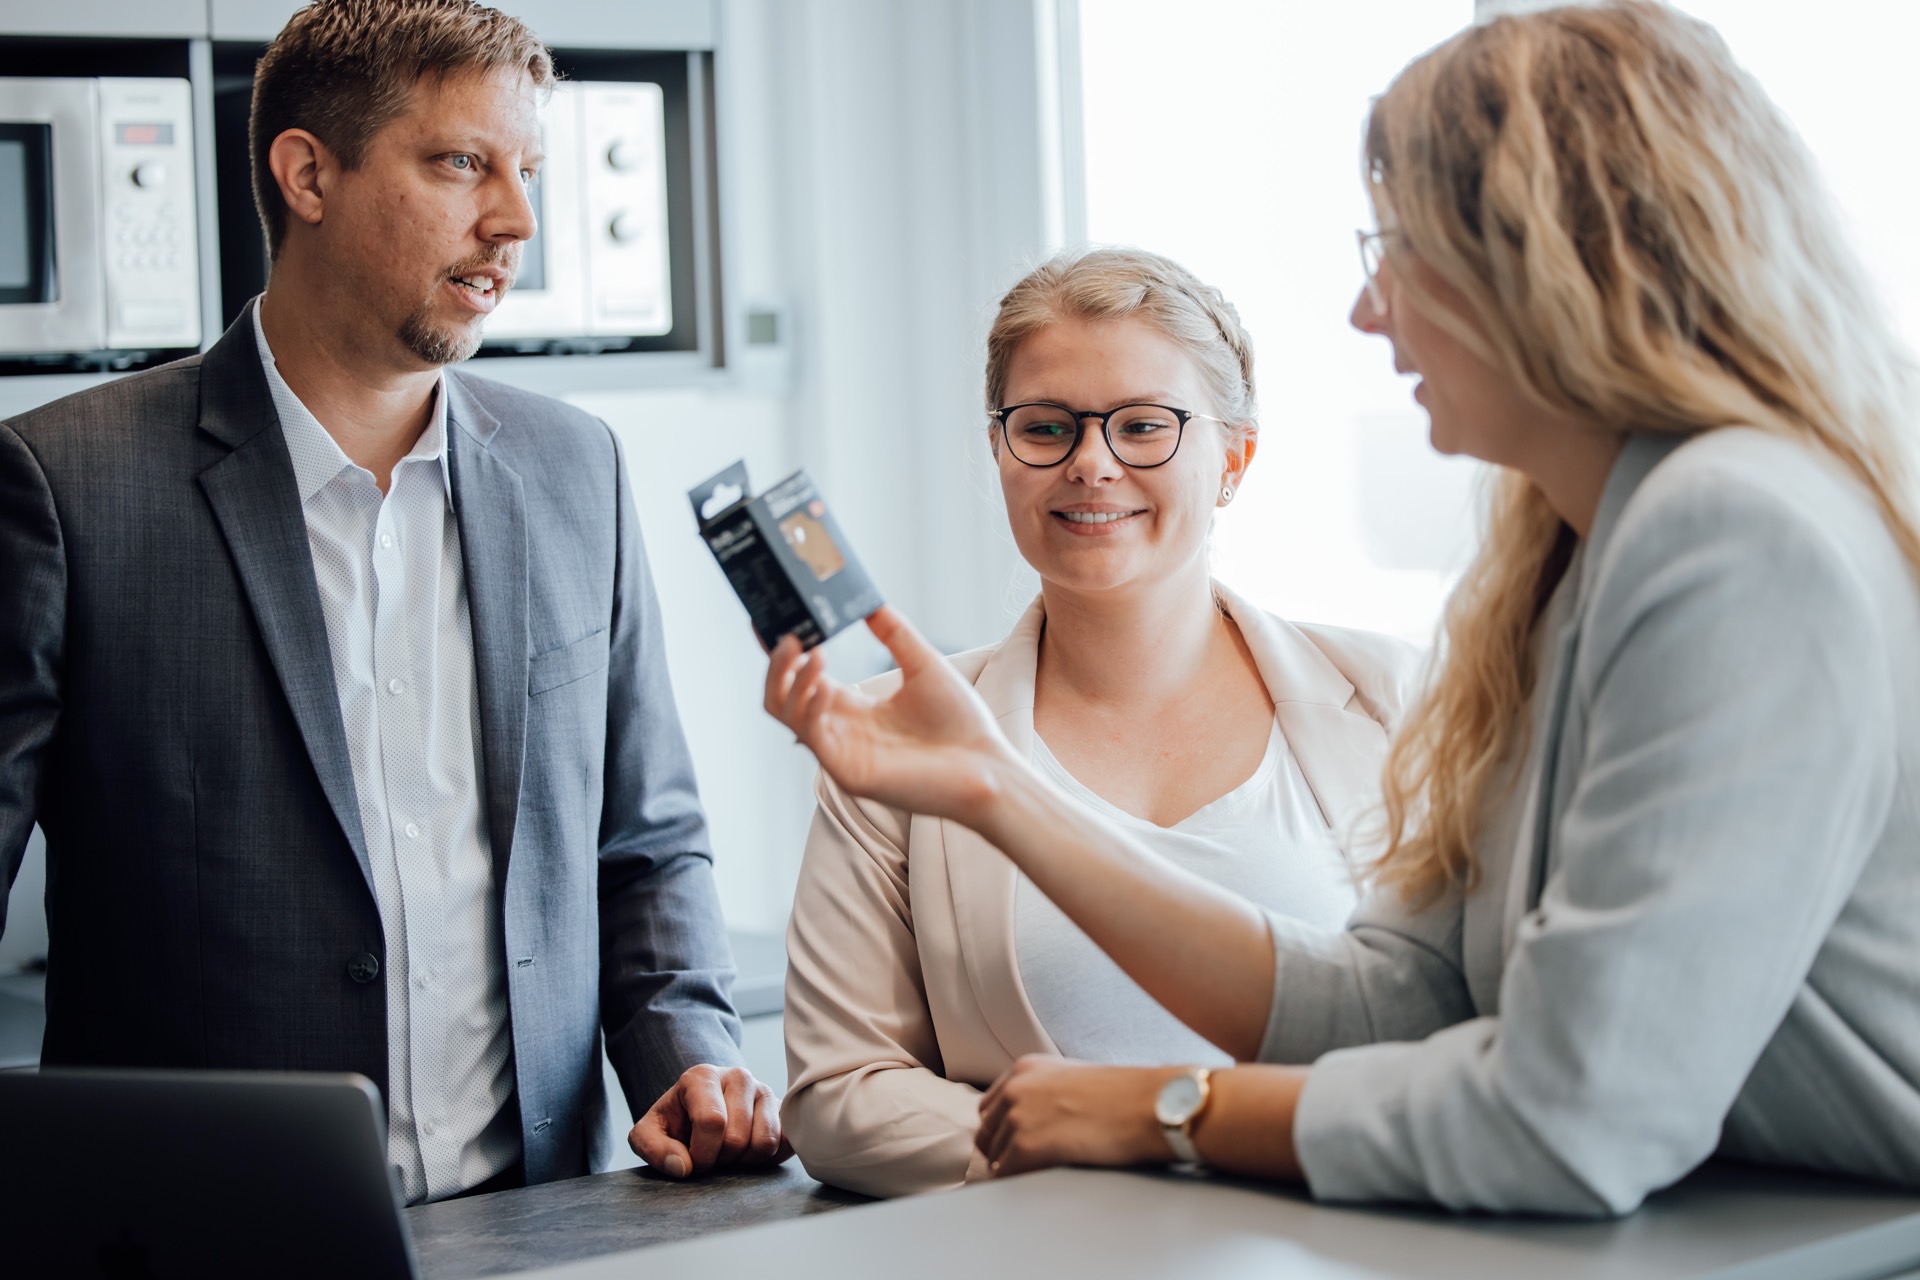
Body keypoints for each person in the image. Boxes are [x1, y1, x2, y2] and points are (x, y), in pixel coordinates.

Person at [765, 0, 1920, 1216]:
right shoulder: (1572, 555)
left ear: (1540, 263)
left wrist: (1167, 1114)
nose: (1370, 311)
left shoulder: (1729, 531)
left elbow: (1572, 1113)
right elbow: (1394, 1003)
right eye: (1047, 427)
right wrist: (994, 787)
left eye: (1397, 249)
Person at [0, 0, 785, 1202]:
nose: (515, 219)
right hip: (201, 1231)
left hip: (542, 1221)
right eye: (462, 162)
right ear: (308, 174)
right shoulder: (66, 483)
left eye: (526, 170)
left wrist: (689, 1060)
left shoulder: (577, 467)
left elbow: (642, 843)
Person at [779, 248, 1423, 1197]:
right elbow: (842, 1099)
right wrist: (1117, 1149)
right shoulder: (892, 738)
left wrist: (1159, 1124)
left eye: (1144, 427)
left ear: (1234, 458)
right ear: (1000, 451)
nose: (1091, 463)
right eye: (1045, 427)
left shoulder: (1395, 698)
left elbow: (1466, 1038)